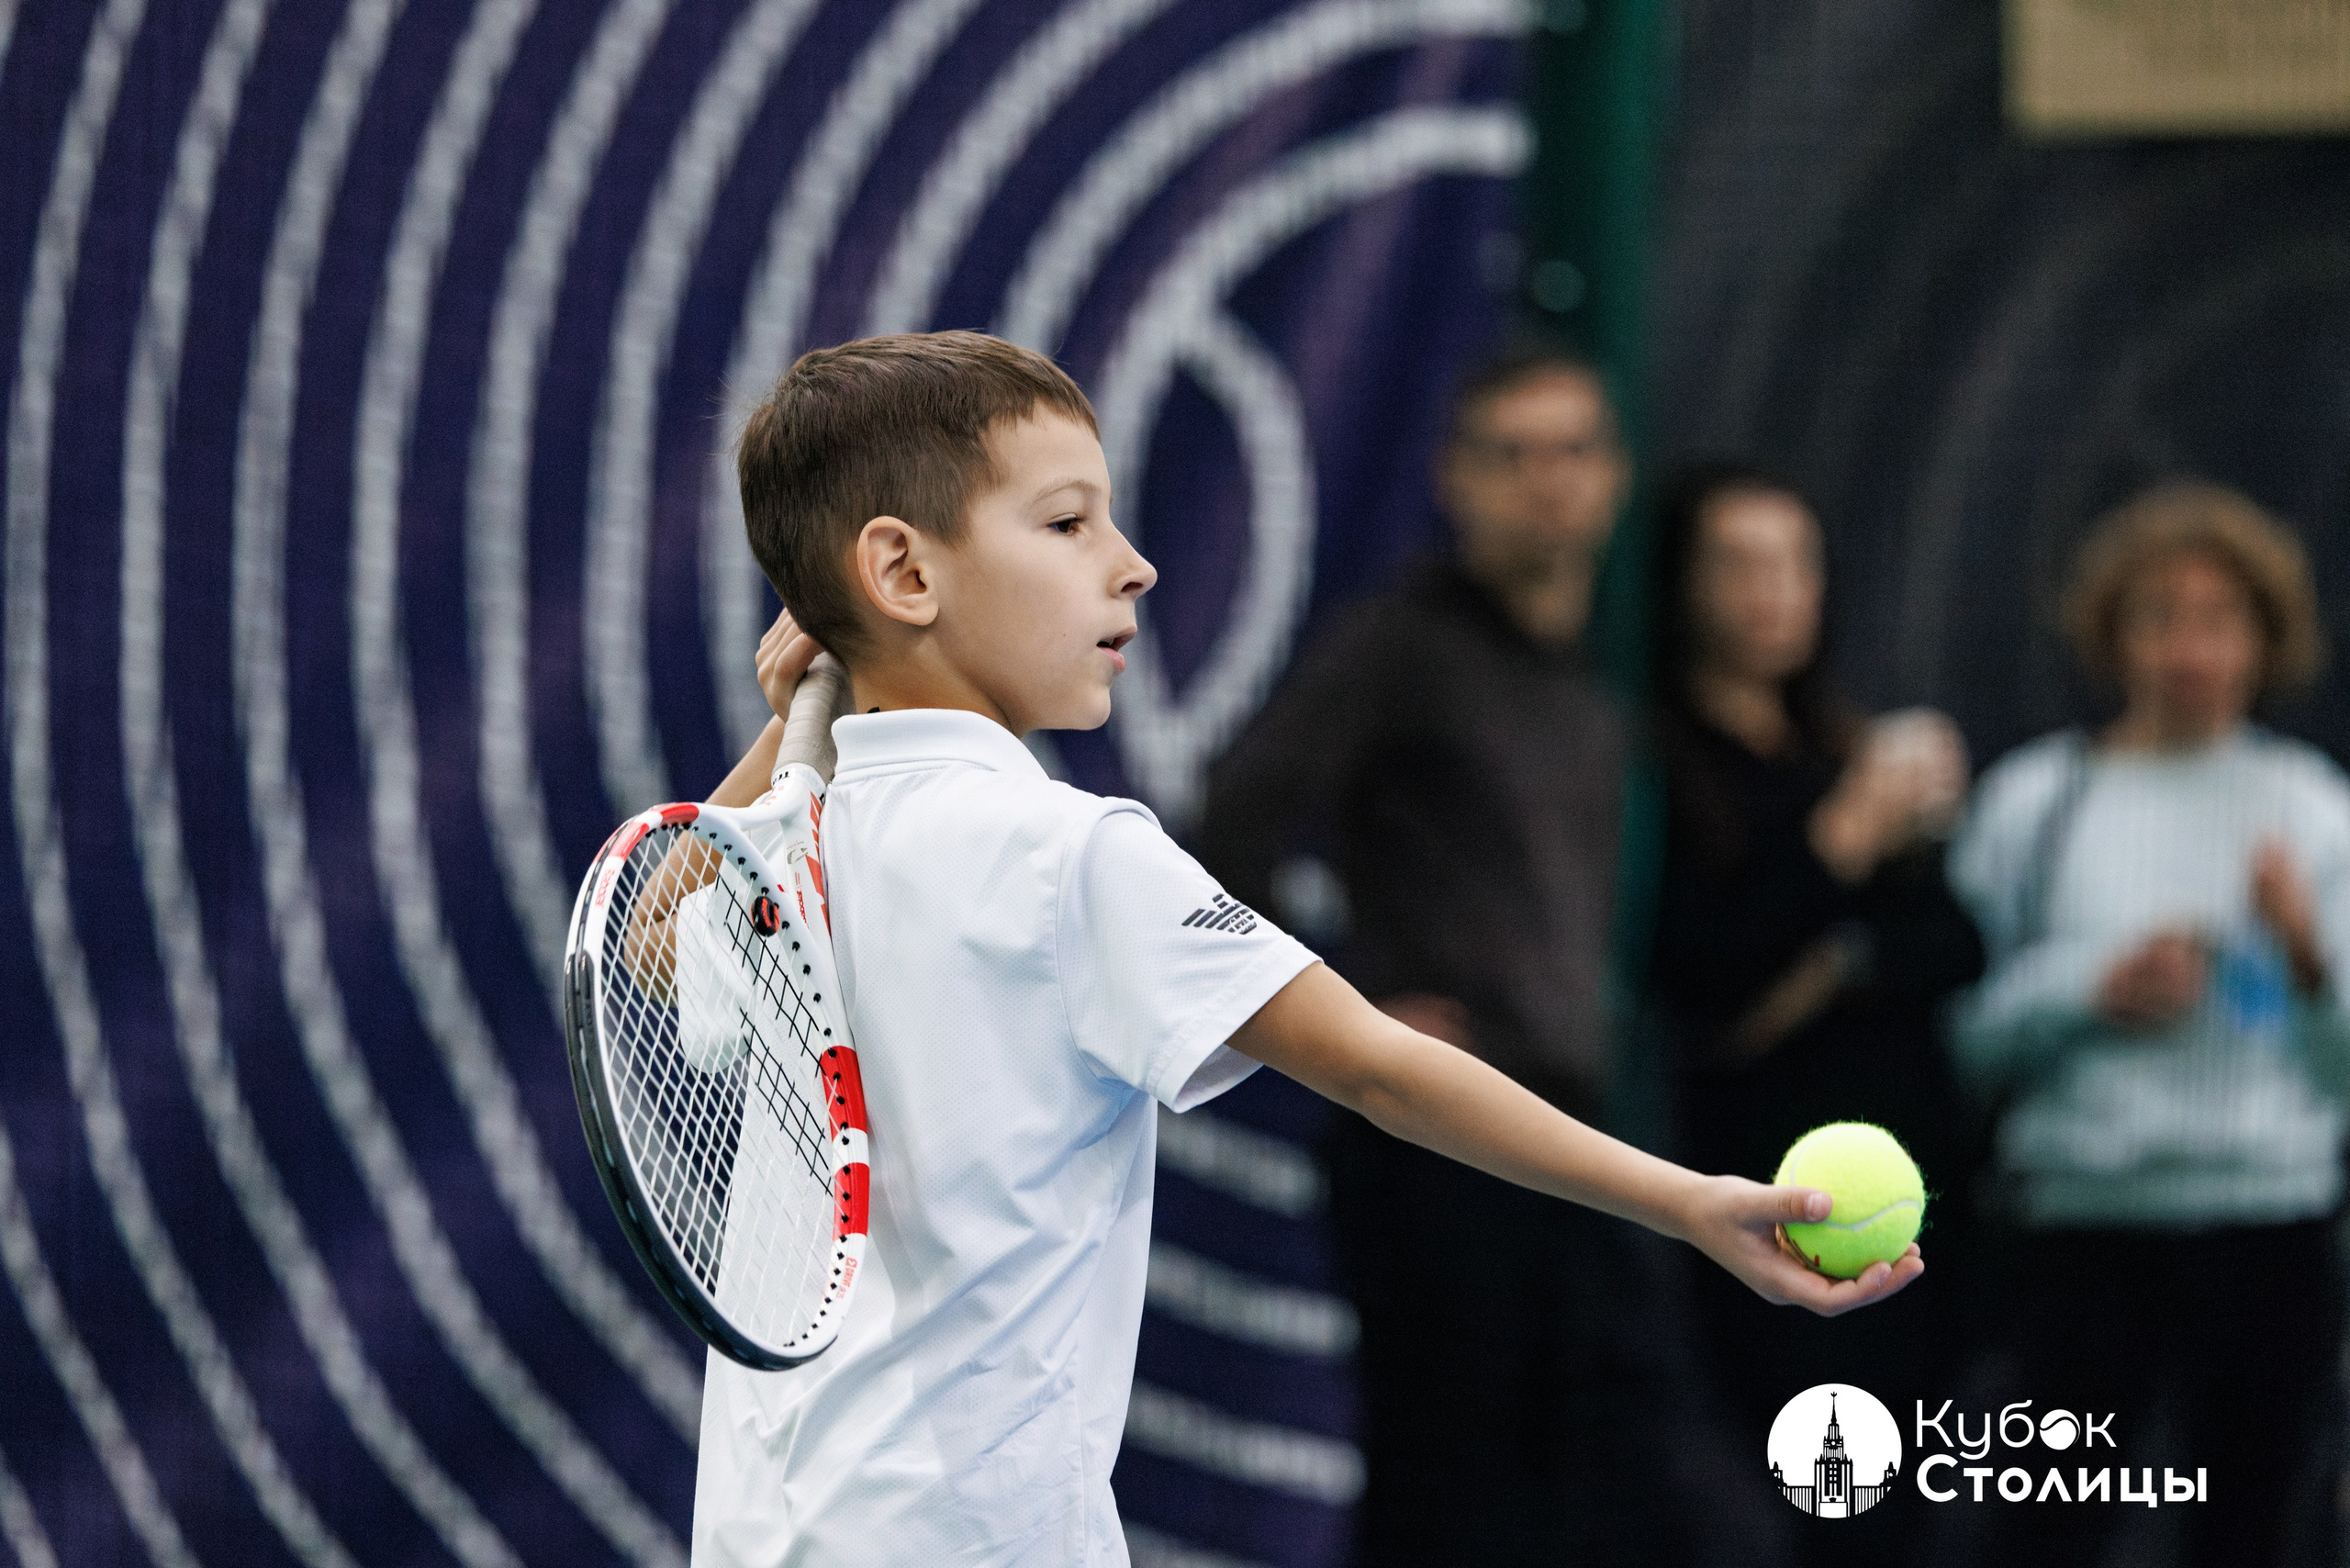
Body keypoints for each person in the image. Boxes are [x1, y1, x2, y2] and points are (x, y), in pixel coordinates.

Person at [688, 332, 1919, 1565]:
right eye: (1067, 525)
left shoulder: (767, 856)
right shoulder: (1072, 856)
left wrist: (802, 707)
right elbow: (1378, 1065)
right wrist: (1692, 1202)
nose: (1134, 565)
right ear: (902, 571)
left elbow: (652, 942)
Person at [1194, 344, 1729, 1565]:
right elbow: (1235, 820)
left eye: (1573, 452)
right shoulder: (1401, 646)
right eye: (1513, 455)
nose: (1546, 482)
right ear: (1455, 480)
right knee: (1450, 1491)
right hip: (1431, 1141)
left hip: (1565, 1123)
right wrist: (1360, 1010)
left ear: (1613, 479)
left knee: (1609, 1477)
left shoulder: (1590, 687)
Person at [1950, 480, 2347, 1568]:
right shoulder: (2036, 804)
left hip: (2267, 1233)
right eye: (2158, 615)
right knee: (2044, 1532)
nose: (2188, 646)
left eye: (2218, 618)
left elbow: (2342, 1067)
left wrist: (2308, 955)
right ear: (2110, 634)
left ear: (2265, 639)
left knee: (2249, 1530)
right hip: (2081, 1236)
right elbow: (1961, 1036)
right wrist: (2090, 990)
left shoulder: (2314, 810)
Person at [1643, 464, 1986, 1554]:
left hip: (1921, 1198)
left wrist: (1829, 952)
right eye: (1737, 566)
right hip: (1769, 1202)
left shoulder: (1842, 751)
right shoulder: (1662, 766)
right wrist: (1849, 837)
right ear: (1681, 587)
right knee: (1802, 1500)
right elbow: (1710, 976)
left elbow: (1951, 945)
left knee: (1905, 1514)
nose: (1770, 593)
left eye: (1792, 564)